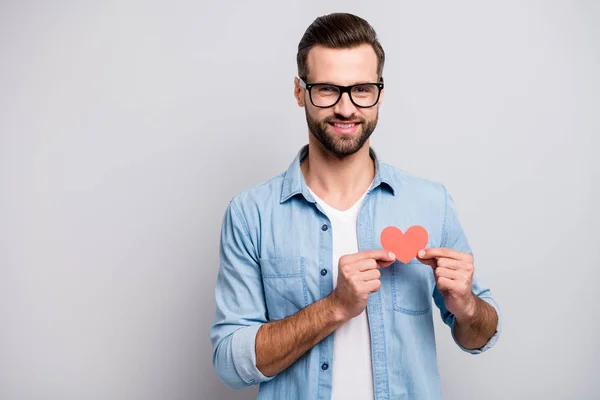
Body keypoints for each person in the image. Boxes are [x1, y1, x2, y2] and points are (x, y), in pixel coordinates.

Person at [210, 12, 501, 400]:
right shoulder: (251, 214)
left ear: (379, 91)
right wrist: (334, 307)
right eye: (328, 89)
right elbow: (230, 363)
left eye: (362, 89)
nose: (347, 109)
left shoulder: (431, 203)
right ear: (300, 92)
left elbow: (480, 336)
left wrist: (466, 306)